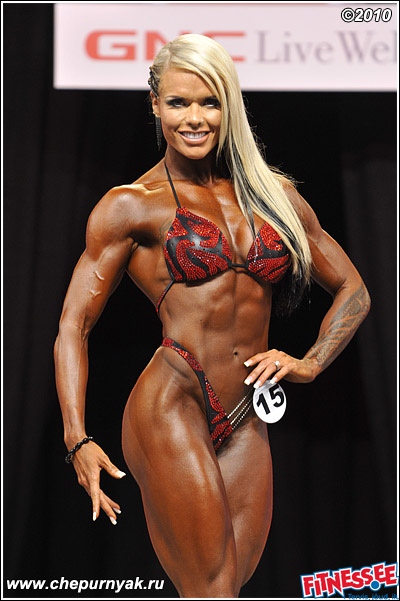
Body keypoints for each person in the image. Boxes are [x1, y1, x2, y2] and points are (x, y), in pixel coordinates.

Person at [54, 33, 371, 598]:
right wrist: (77, 438)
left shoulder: (274, 196)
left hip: (247, 411)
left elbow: (353, 290)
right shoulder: (132, 204)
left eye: (209, 103)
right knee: (212, 589)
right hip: (172, 399)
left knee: (225, 587)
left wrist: (311, 362)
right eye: (179, 103)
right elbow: (73, 326)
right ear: (155, 104)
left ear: (230, 106)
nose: (195, 119)